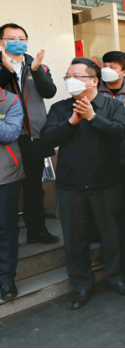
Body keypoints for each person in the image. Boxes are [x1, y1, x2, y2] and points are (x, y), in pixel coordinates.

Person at [41, 57, 125, 310]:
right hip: (70, 185)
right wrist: (71, 122)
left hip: (106, 182)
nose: (69, 80)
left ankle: (117, 277)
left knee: (112, 235)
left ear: (94, 81)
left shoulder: (112, 105)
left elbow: (120, 132)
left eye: (76, 76)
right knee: (75, 239)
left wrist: (93, 117)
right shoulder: (60, 108)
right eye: (67, 76)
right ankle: (81, 284)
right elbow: (47, 138)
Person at [0, 23, 59, 245]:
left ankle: (37, 230)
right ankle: (7, 235)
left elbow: (49, 91)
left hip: (33, 136)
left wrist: (36, 70)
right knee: (7, 188)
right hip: (6, 137)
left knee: (34, 187)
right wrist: (7, 70)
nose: (18, 42)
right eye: (11, 38)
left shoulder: (38, 66)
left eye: (22, 38)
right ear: (1, 42)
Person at [88, 51, 125, 265]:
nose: (106, 69)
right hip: (96, 158)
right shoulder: (93, 90)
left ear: (124, 72)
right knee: (96, 204)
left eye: (112, 66)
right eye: (105, 65)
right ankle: (96, 247)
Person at [0, 86, 25, 302]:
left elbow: (10, 134)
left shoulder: (11, 100)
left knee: (6, 227)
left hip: (5, 175)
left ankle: (6, 279)